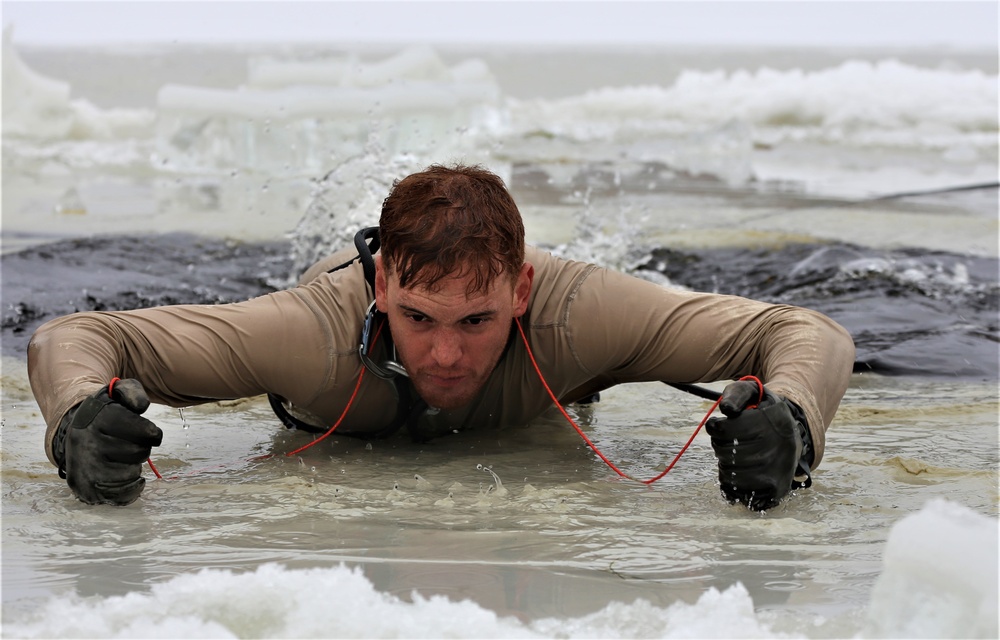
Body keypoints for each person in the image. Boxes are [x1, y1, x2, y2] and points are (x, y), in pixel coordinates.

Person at [27, 163, 855, 510]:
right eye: (418, 319)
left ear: (521, 290)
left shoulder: (577, 314)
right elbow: (74, 336)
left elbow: (805, 330)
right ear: (382, 284)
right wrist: (77, 422)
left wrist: (790, 420)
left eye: (478, 322)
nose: (447, 355)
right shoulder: (306, 336)